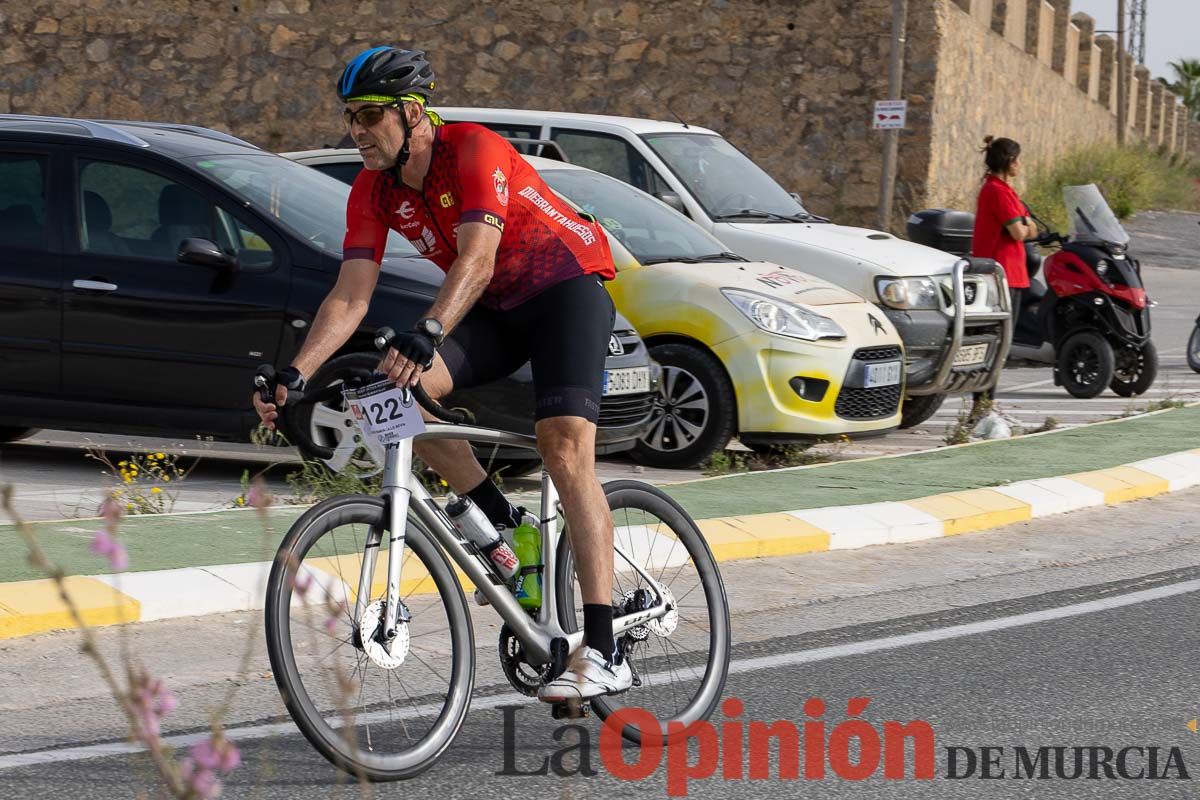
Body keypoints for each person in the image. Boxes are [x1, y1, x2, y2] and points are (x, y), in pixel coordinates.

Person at [253, 47, 631, 701]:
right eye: (350, 117)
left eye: (370, 116)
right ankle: (502, 522)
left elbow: (477, 259)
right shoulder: (373, 189)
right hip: (494, 311)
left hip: (564, 289)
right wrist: (295, 371)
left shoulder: (473, 151)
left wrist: (428, 332)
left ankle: (604, 647)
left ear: (412, 112)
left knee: (563, 447)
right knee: (383, 396)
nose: (357, 131)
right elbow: (349, 296)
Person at [971, 135, 1038, 407]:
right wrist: (1027, 225)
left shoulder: (1000, 189)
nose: (1020, 164)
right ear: (1009, 161)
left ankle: (985, 403)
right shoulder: (998, 191)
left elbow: (1027, 228)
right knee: (998, 343)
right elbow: (1020, 231)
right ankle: (983, 404)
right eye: (1018, 159)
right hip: (1002, 274)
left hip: (1008, 273)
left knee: (1000, 342)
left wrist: (1027, 225)